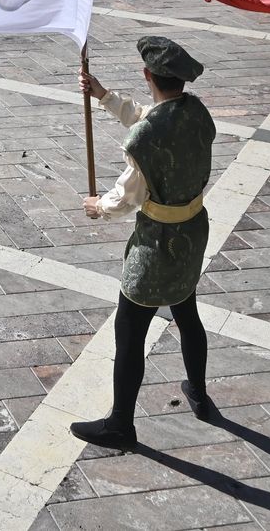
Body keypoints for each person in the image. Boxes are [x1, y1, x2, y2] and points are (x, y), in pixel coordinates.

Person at [72, 36, 217, 450]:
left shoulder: (143, 140)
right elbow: (148, 119)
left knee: (130, 332)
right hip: (192, 232)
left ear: (147, 74)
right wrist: (103, 95)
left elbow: (128, 194)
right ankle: (200, 393)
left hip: (157, 243)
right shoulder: (196, 112)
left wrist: (98, 206)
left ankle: (121, 424)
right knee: (186, 309)